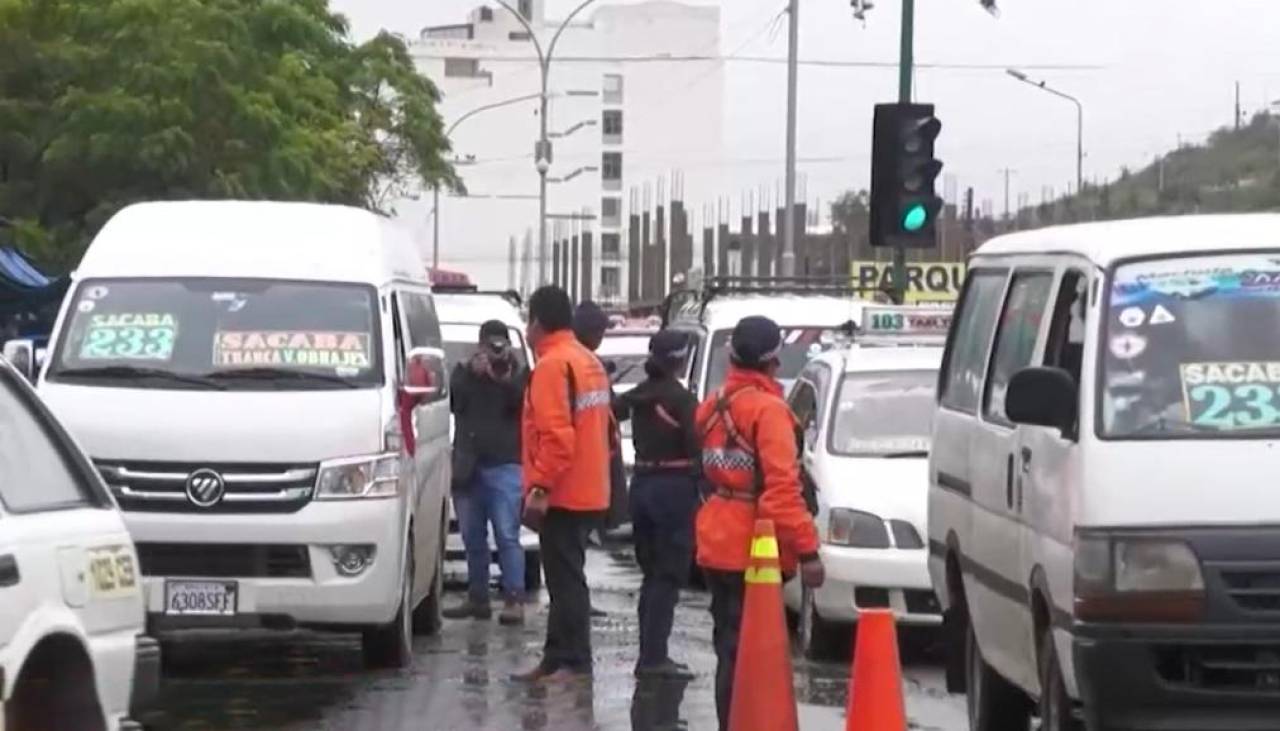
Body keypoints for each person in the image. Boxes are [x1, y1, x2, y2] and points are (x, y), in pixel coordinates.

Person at [696, 315, 825, 731]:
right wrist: (807, 550)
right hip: (754, 548)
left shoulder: (713, 405)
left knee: (728, 650)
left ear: (732, 356)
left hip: (715, 538)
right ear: (774, 361)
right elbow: (782, 492)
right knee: (753, 652)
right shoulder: (769, 412)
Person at [515, 285, 612, 682]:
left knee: (566, 581)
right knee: (564, 577)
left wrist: (539, 489)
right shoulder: (587, 360)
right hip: (589, 488)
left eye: (528, 320)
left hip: (564, 492)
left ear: (537, 322)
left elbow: (556, 438)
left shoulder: (553, 366)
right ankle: (557, 658)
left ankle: (572, 660)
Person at [615, 330, 699, 680]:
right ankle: (654, 658)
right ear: (680, 360)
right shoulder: (682, 401)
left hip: (643, 486)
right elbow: (698, 450)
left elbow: (608, 412)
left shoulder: (638, 395)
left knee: (651, 576)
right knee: (667, 576)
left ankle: (649, 652)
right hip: (674, 490)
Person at [443, 320, 529, 625]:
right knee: (472, 537)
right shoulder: (465, 371)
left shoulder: (519, 373)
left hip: (505, 464)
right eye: (488, 347)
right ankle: (477, 597)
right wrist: (470, 373)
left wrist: (499, 376)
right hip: (469, 465)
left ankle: (514, 598)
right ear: (479, 346)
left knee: (507, 535)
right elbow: (453, 402)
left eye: (499, 346)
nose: (494, 353)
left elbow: (519, 403)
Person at [572, 301, 629, 536]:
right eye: (600, 333)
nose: (601, 339)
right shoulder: (581, 365)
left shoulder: (589, 363)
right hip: (584, 465)